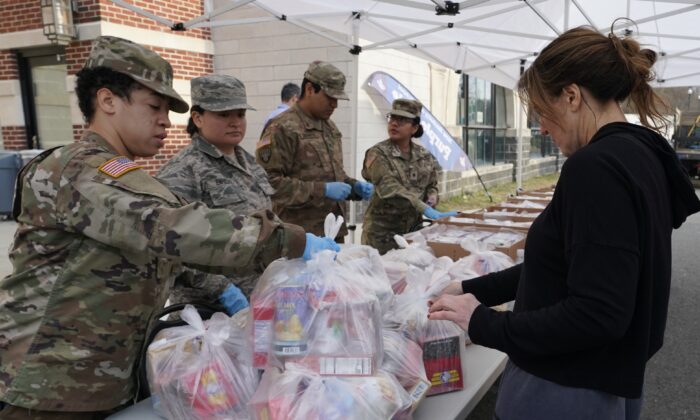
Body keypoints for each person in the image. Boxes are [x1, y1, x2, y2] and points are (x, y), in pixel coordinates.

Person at [0, 36, 338, 418]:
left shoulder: (120, 173)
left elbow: (164, 245)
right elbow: (174, 228)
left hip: (93, 378)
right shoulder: (77, 170)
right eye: (154, 106)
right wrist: (290, 241)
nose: (165, 120)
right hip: (48, 385)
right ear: (107, 101)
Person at [428, 26, 700, 420]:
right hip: (604, 382)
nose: (540, 127)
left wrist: (482, 322)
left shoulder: (596, 167)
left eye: (543, 111)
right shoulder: (641, 155)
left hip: (564, 388)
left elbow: (598, 313)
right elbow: (567, 266)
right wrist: (470, 288)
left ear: (572, 96)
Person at [157, 74, 275, 306]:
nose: (235, 122)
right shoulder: (182, 170)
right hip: (209, 311)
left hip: (261, 298)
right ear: (198, 118)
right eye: (223, 114)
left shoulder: (249, 163)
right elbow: (169, 246)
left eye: (240, 114)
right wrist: (222, 290)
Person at [256, 61, 374, 240]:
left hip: (332, 232)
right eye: (330, 97)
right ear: (310, 89)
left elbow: (334, 175)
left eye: (337, 99)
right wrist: (322, 190)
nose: (335, 105)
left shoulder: (330, 128)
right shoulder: (282, 127)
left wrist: (353, 187)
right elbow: (268, 184)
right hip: (297, 237)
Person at [361, 99, 457, 254]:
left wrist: (432, 197)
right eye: (392, 118)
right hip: (382, 236)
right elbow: (388, 186)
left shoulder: (424, 155)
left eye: (402, 120)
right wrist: (422, 207)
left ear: (414, 128)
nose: (394, 124)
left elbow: (432, 184)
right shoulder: (378, 153)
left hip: (413, 233)